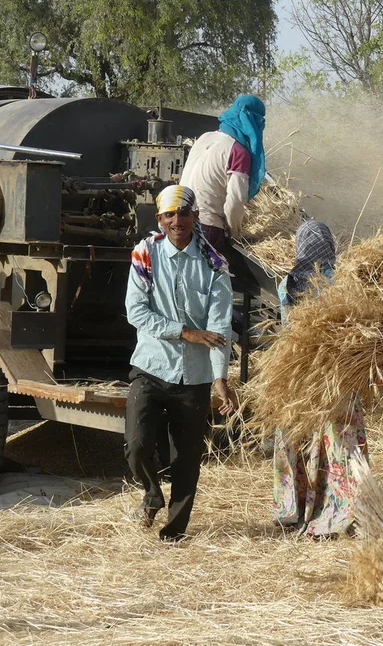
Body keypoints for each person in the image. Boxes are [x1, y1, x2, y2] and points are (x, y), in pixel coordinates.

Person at [124, 184, 238, 540]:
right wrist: (184, 332)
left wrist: (220, 378)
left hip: (195, 376)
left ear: (195, 217)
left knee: (187, 460)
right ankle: (151, 493)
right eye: (170, 215)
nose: (178, 221)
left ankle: (174, 533)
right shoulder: (145, 255)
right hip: (151, 366)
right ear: (160, 219)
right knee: (138, 443)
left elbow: (220, 326)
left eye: (184, 213)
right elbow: (136, 312)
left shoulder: (214, 264)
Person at [272, 220, 368, 536]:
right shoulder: (343, 283)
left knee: (295, 440)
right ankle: (340, 509)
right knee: (339, 442)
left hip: (296, 374)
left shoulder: (287, 283)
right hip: (335, 375)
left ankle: (293, 509)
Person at [179, 94, 266, 253]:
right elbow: (235, 203)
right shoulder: (238, 151)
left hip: (175, 222)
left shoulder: (205, 137)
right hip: (205, 228)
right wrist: (235, 235)